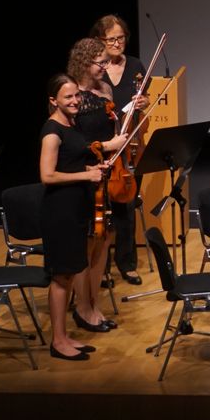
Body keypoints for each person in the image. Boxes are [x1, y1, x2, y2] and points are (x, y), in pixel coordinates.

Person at [38, 74, 125, 360]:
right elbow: (47, 175)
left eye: (76, 95)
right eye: (68, 97)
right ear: (54, 101)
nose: (75, 101)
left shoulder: (71, 124)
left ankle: (64, 336)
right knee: (61, 277)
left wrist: (94, 167)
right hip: (60, 212)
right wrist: (86, 175)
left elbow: (72, 160)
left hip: (76, 208)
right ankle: (58, 341)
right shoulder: (52, 132)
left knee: (68, 274)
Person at [66, 38, 127, 335]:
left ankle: (94, 302)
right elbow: (71, 142)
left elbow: (113, 129)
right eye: (100, 62)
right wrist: (108, 145)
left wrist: (120, 142)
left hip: (106, 174)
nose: (105, 67)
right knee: (86, 243)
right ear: (83, 61)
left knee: (104, 240)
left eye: (106, 61)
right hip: (83, 174)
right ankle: (82, 308)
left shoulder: (105, 90)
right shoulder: (71, 95)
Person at [90, 14, 149, 286]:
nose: (117, 43)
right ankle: (99, 266)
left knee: (126, 203)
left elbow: (143, 98)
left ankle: (127, 263)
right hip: (101, 144)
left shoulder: (136, 66)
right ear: (99, 40)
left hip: (129, 146)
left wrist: (143, 101)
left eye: (121, 38)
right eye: (111, 39)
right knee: (100, 206)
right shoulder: (95, 70)